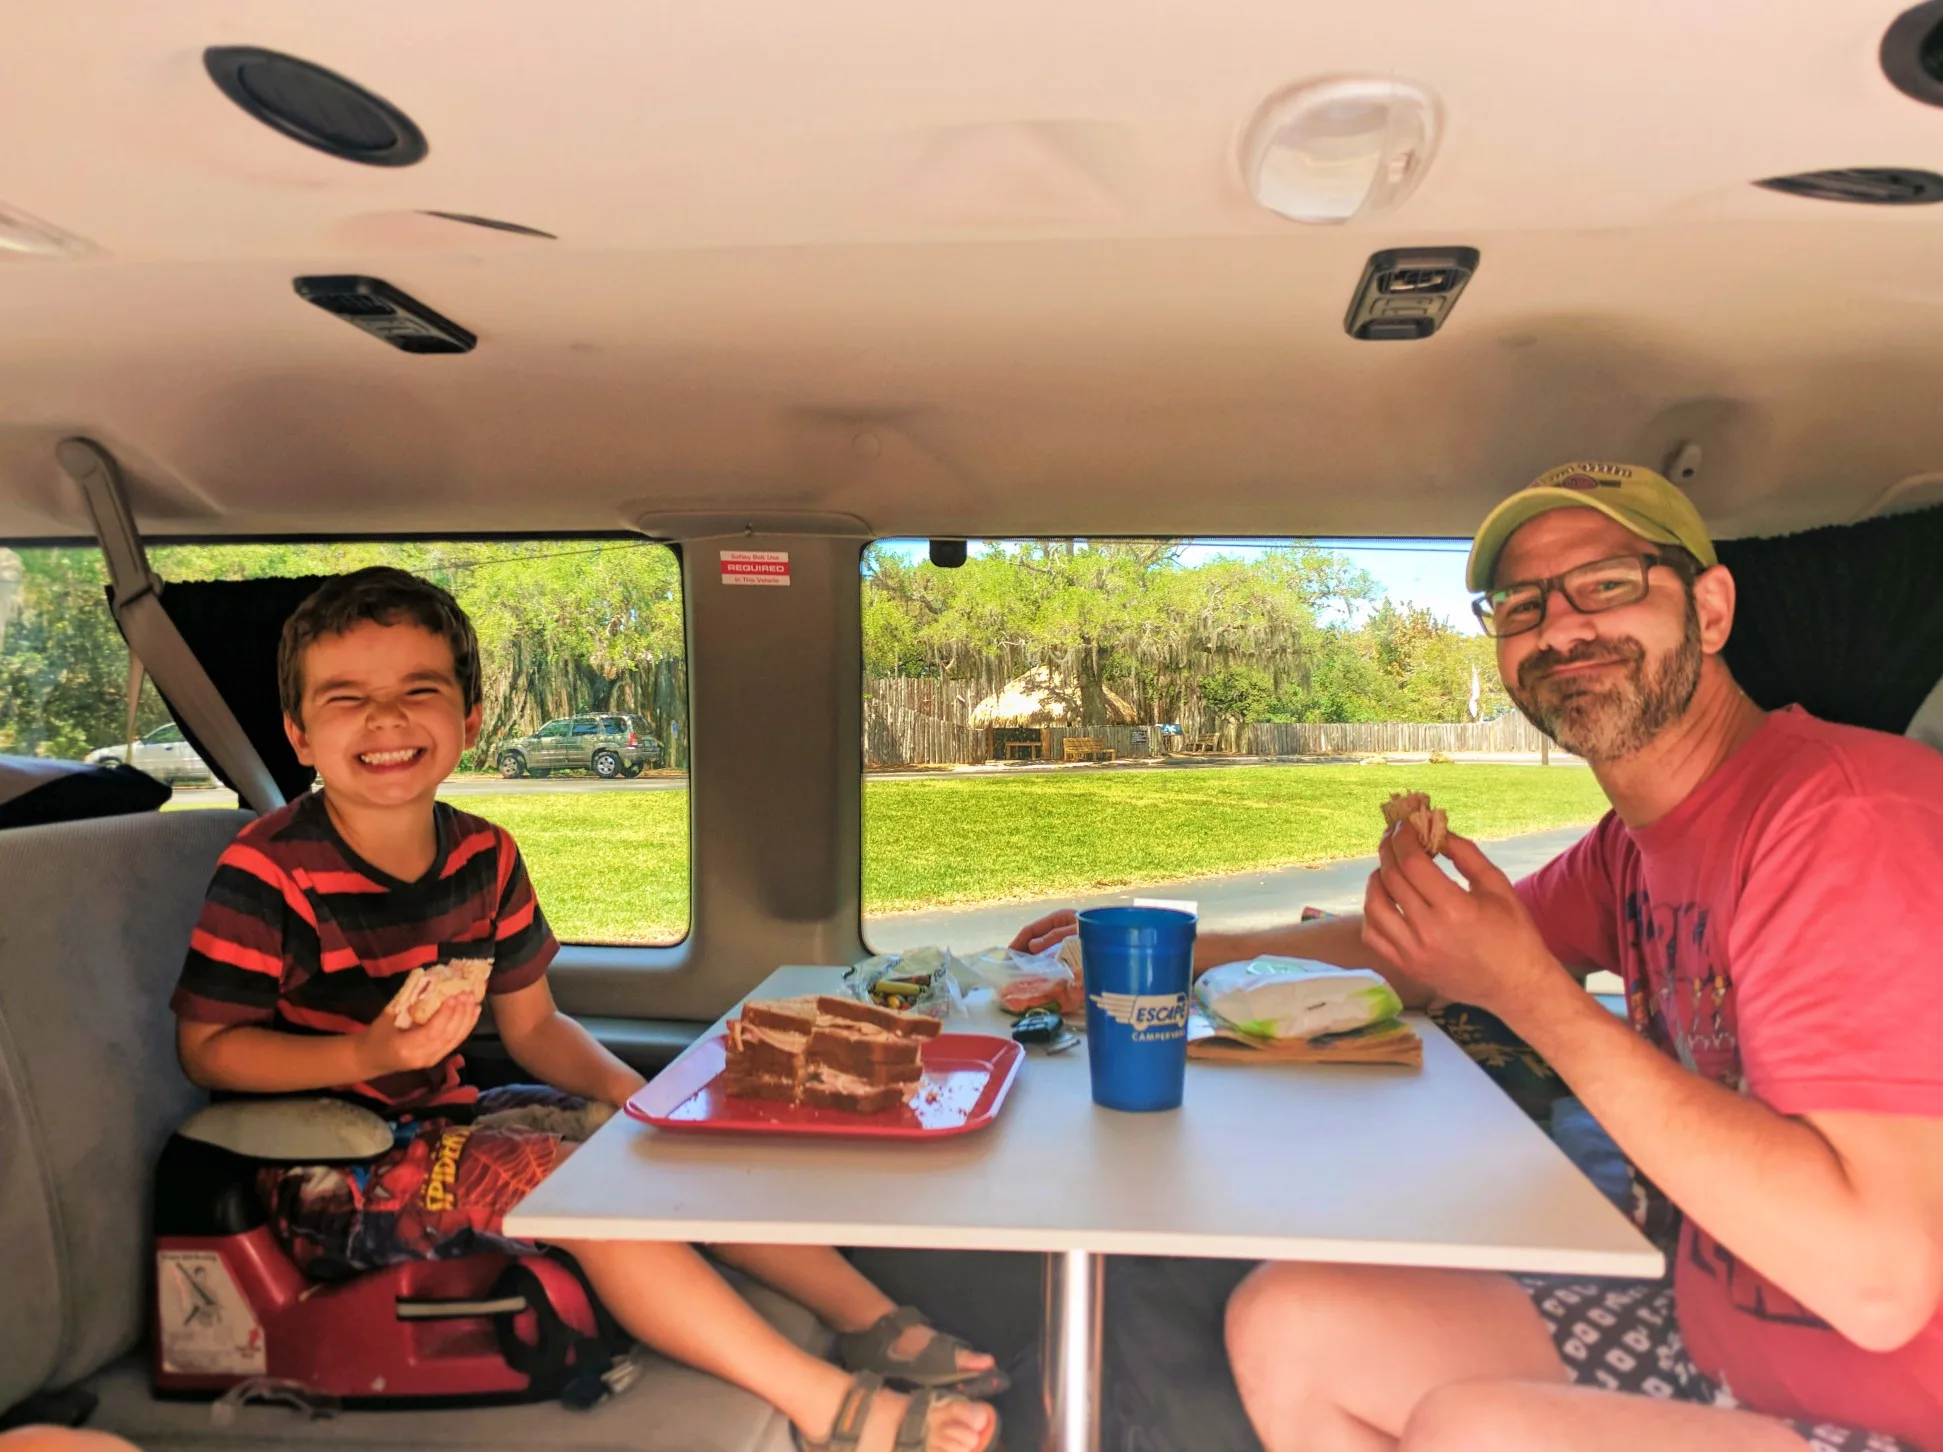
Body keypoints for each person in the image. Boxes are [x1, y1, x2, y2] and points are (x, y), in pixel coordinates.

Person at [1014, 462, 1943, 1452]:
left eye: (1608, 583)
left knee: (1474, 1428)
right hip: (1705, 1340)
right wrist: (1198, 946)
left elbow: (1877, 1285)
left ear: (1709, 612)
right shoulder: (1632, 841)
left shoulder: (1841, 821)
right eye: (1519, 605)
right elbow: (1427, 953)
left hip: (1883, 1410)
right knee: (1293, 1326)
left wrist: (1532, 998)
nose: (1558, 627)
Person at [172, 567, 999, 1452]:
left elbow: (533, 1028)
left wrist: (638, 1107)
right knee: (584, 1192)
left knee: (652, 1149)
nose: (384, 720)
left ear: (471, 720)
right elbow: (209, 1051)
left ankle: (874, 1319)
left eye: (420, 690)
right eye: (346, 700)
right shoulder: (267, 870)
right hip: (309, 1168)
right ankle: (828, 1403)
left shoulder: (485, 856)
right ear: (299, 733)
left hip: (442, 1124)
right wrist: (369, 1053)